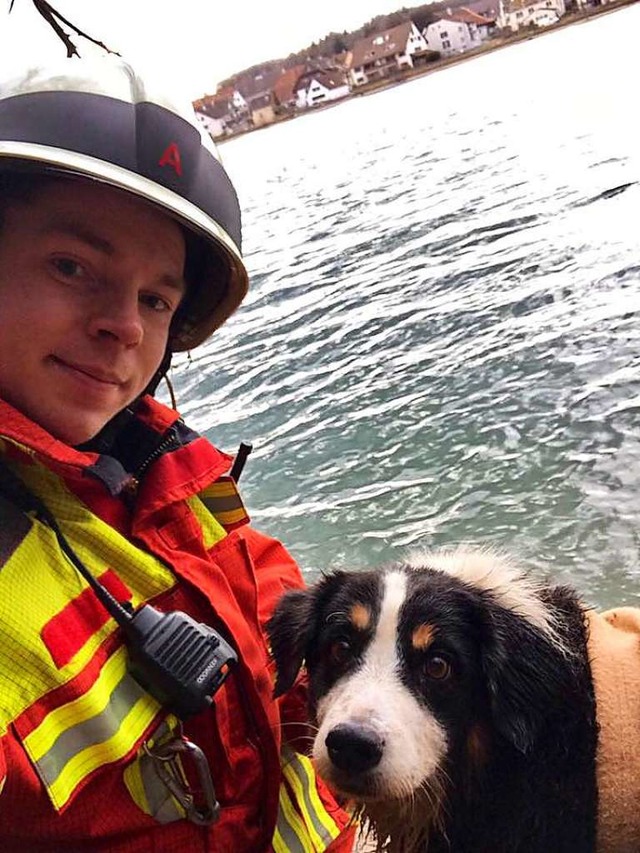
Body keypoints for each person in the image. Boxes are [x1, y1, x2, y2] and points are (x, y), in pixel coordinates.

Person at [0, 56, 356, 852]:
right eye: (72, 266)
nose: (123, 325)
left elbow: (268, 601)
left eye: (156, 298)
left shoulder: (159, 464)